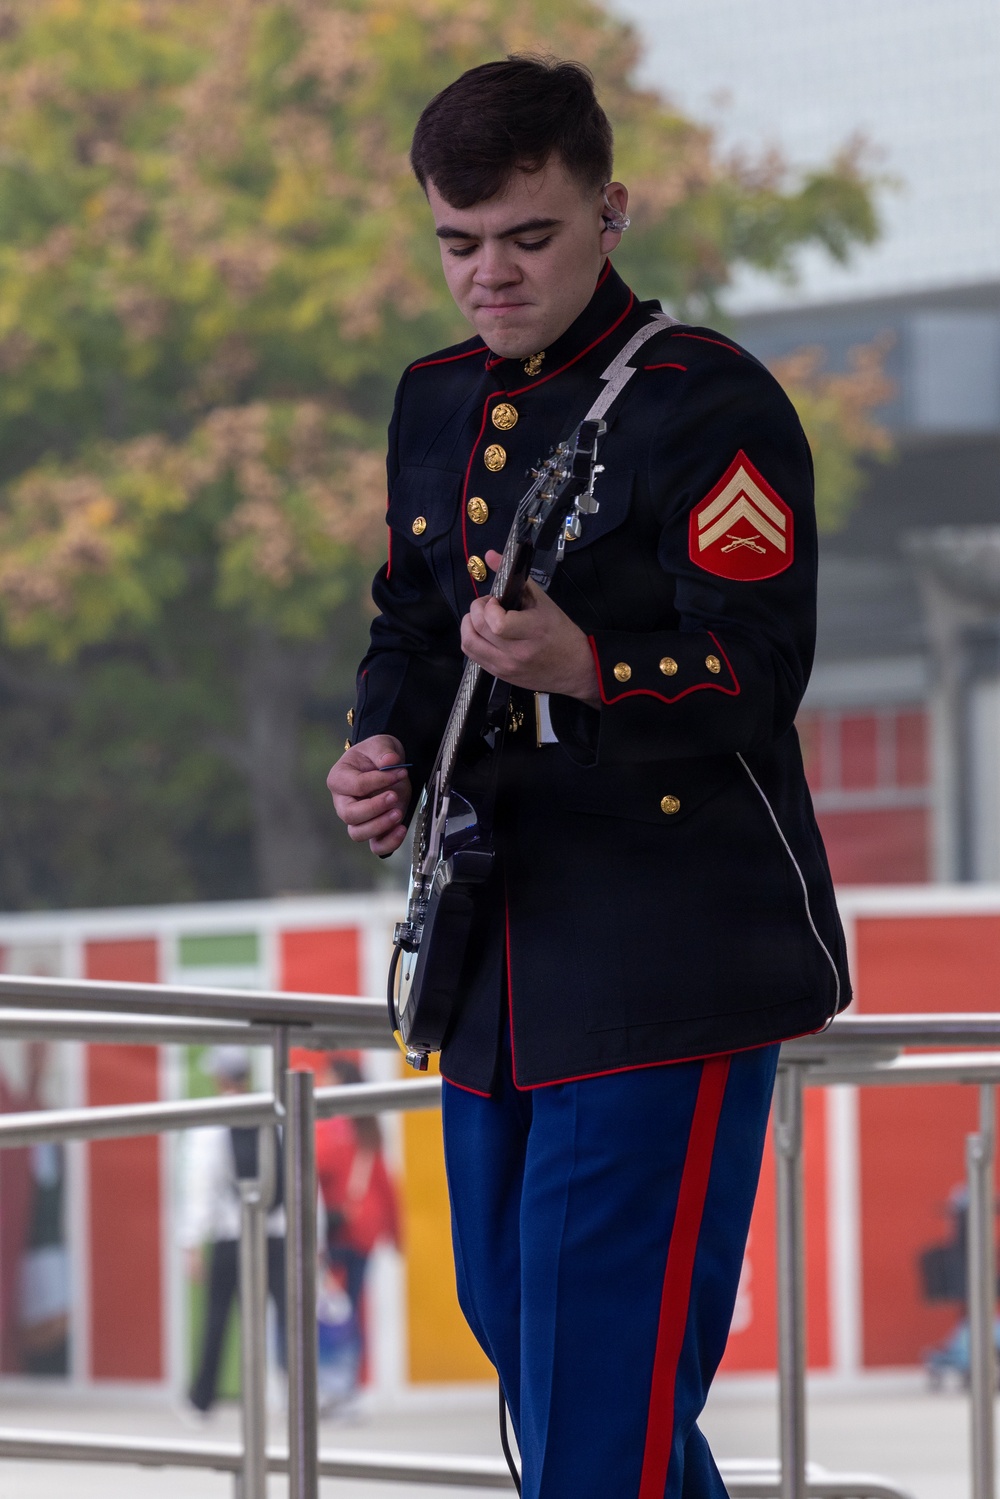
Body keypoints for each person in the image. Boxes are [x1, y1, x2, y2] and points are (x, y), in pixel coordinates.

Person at [326, 56, 850, 1498]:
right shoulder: (432, 400)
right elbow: (412, 628)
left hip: (669, 945)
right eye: (458, 242)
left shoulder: (706, 400)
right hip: (498, 955)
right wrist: (380, 746)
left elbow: (761, 666)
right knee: (528, 1335)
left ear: (609, 211)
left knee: (597, 1384)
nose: (489, 275)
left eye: (528, 237)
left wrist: (593, 666)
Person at [179, 1046, 286, 1415]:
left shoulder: (213, 1121)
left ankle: (201, 1400)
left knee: (218, 1320)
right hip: (275, 1233)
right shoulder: (273, 1114)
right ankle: (294, 1393)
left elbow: (200, 1184)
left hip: (231, 1233)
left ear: (220, 1077)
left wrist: (191, 1241)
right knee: (288, 1316)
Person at [314, 1054, 400, 1404]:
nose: (319, 1081)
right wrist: (396, 1236)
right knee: (351, 1307)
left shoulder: (330, 1128)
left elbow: (318, 1166)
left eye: (326, 1076)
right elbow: (386, 1185)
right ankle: (347, 1387)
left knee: (332, 1310)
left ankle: (338, 1387)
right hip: (362, 1231)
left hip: (336, 1232)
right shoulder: (367, 1126)